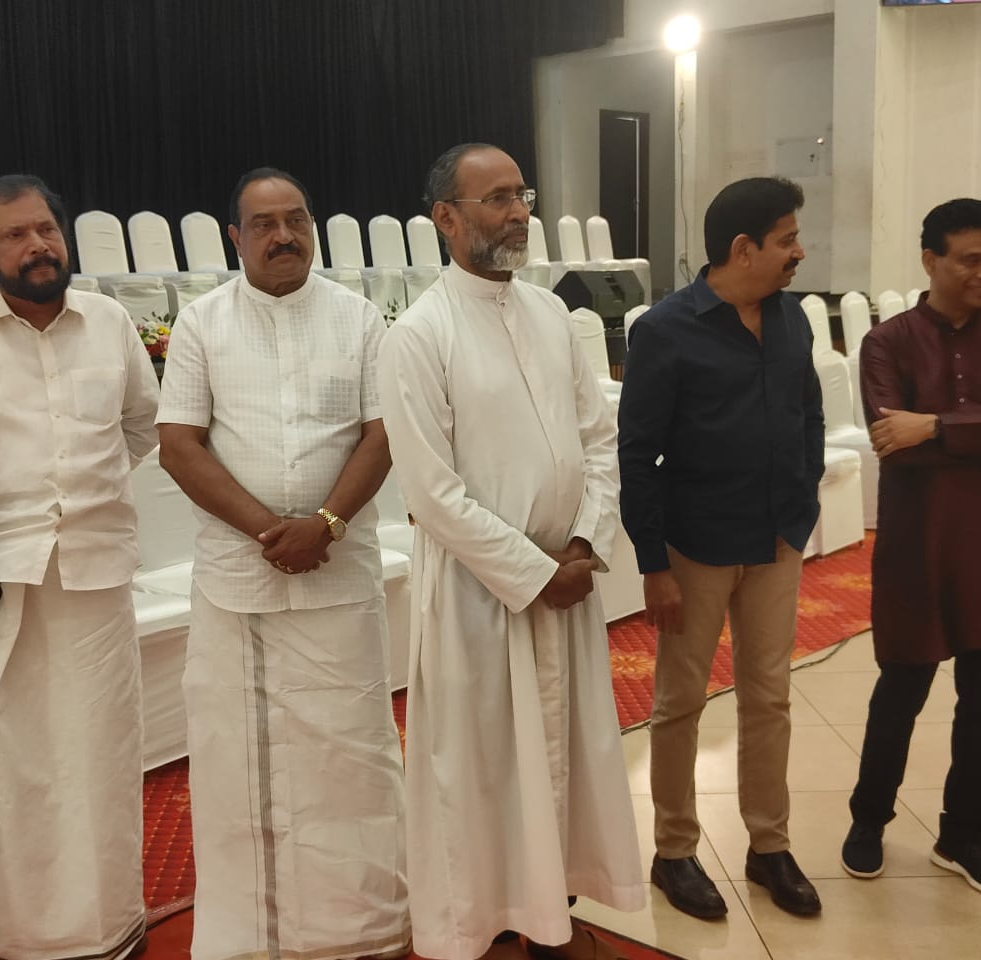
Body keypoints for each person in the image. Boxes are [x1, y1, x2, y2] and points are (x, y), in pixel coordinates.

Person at [378, 143, 644, 960]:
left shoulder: (552, 316)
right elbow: (432, 494)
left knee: (566, 759)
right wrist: (533, 574)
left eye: (521, 195)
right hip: (479, 596)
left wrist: (584, 541)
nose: (518, 213)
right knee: (486, 772)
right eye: (494, 199)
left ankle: (553, 914)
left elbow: (599, 439)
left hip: (567, 579)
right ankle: (487, 928)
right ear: (445, 218)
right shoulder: (418, 335)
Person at [156, 167, 409, 960]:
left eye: (295, 219)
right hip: (239, 585)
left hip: (340, 581)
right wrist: (272, 530)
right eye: (263, 224)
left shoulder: (358, 317)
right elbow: (178, 446)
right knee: (238, 767)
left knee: (352, 760)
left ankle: (360, 933)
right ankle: (248, 939)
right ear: (236, 238)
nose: (283, 236)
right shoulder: (201, 323)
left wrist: (325, 525)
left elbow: (383, 433)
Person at [0, 175, 159, 959]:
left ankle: (112, 926)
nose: (38, 246)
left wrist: (84, 499)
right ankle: (30, 938)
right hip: (5, 583)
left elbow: (139, 428)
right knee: (21, 767)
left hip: (99, 575)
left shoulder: (110, 322)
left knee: (106, 757)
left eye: (46, 229)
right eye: (16, 235)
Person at [617, 176, 824, 919]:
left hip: (776, 539)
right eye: (788, 240)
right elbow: (636, 454)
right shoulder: (665, 330)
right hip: (696, 547)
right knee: (680, 702)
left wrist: (803, 499)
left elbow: (808, 415)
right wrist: (653, 564)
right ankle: (674, 851)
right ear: (744, 248)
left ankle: (769, 845)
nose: (799, 252)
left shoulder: (792, 317)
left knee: (770, 696)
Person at [841, 198, 981, 900]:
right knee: (900, 691)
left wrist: (936, 427)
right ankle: (868, 821)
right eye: (970, 260)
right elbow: (892, 441)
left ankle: (965, 838)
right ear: (931, 260)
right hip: (917, 543)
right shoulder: (887, 343)